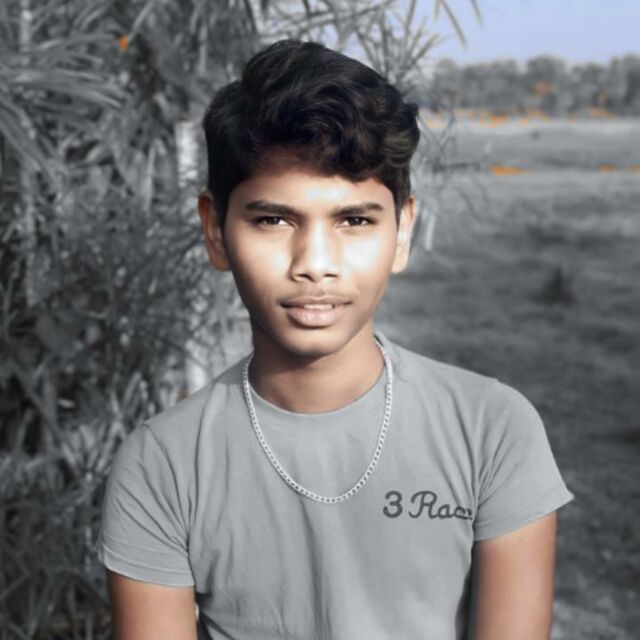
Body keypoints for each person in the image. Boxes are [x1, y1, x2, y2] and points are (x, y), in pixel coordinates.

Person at [96, 39, 574, 639]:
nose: (315, 264)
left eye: (354, 220)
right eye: (273, 220)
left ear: (402, 231)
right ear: (216, 231)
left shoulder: (492, 431)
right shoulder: (162, 466)